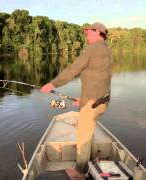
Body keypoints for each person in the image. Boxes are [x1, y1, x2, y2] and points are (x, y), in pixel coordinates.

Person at [40, 22, 112, 172]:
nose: (86, 35)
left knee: (83, 137)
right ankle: (94, 158)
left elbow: (72, 70)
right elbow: (100, 79)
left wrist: (52, 84)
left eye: (88, 32)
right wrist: (84, 100)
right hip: (103, 101)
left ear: (97, 32)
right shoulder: (107, 50)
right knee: (85, 127)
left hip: (92, 103)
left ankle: (81, 170)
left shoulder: (92, 49)